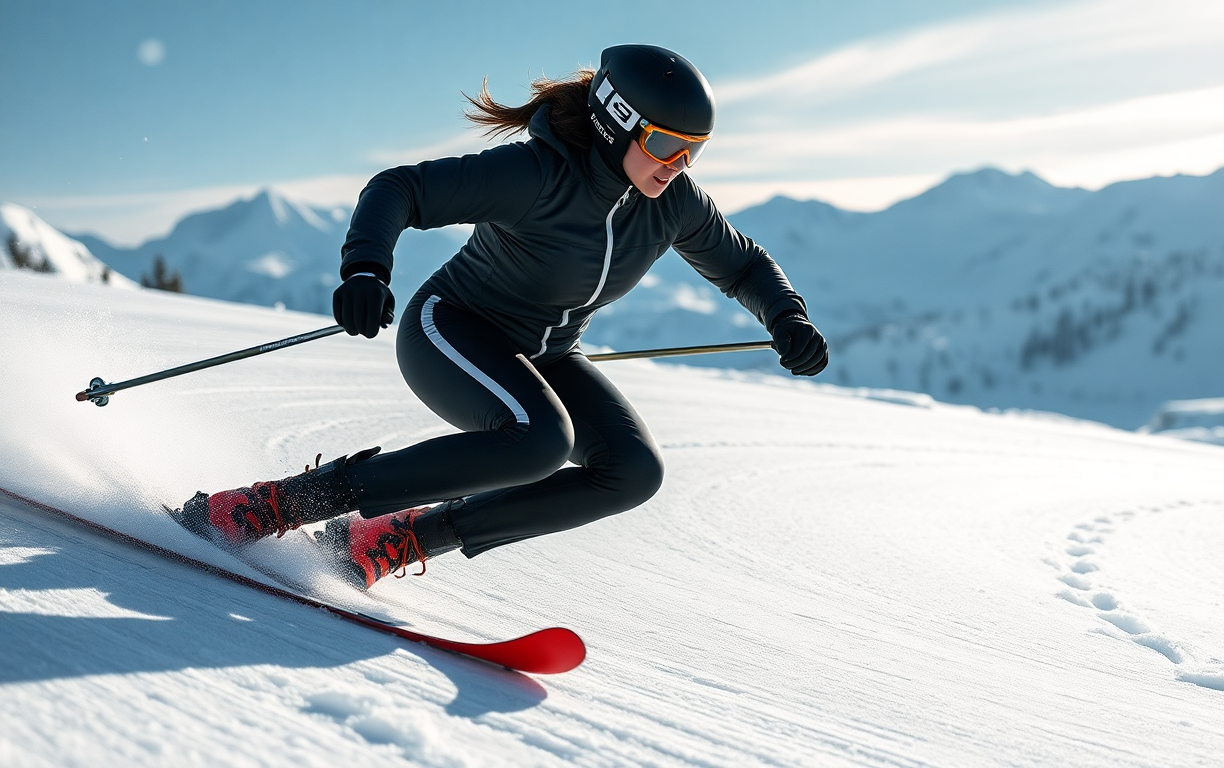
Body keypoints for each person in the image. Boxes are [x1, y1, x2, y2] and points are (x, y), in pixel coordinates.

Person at [175, 44, 828, 589]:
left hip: (547, 352)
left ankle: (394, 538)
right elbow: (398, 189)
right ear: (616, 120)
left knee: (633, 472)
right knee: (541, 439)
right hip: (451, 327)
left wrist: (786, 317)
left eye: (696, 149)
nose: (679, 165)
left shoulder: (673, 202)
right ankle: (275, 504)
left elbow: (743, 265)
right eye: (666, 144)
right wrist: (366, 270)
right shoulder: (537, 174)